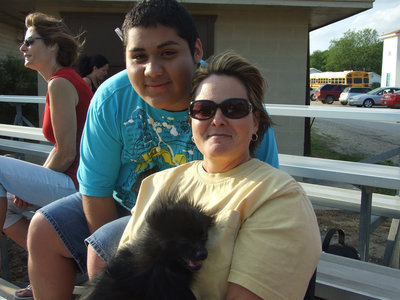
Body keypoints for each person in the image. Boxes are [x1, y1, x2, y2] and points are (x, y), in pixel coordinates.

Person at [26, 1, 278, 299]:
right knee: (45, 229)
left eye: (168, 53)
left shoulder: (227, 100)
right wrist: (129, 256)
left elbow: (263, 190)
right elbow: (96, 191)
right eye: (139, 57)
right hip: (125, 207)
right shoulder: (112, 99)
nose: (152, 70)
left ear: (196, 51)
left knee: (106, 247)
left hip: (197, 225)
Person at [119, 50, 322, 299]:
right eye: (204, 110)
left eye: (234, 109)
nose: (217, 120)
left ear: (256, 122)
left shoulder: (279, 197)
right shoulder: (157, 183)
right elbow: (122, 277)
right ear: (191, 120)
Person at [0, 12, 93, 299]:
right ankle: (47, 272)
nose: (22, 48)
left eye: (29, 42)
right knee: (10, 209)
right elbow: (59, 149)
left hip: (78, 185)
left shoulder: (60, 83)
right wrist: (29, 185)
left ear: (52, 45)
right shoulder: (66, 80)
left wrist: (31, 185)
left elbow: (66, 153)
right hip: (74, 181)